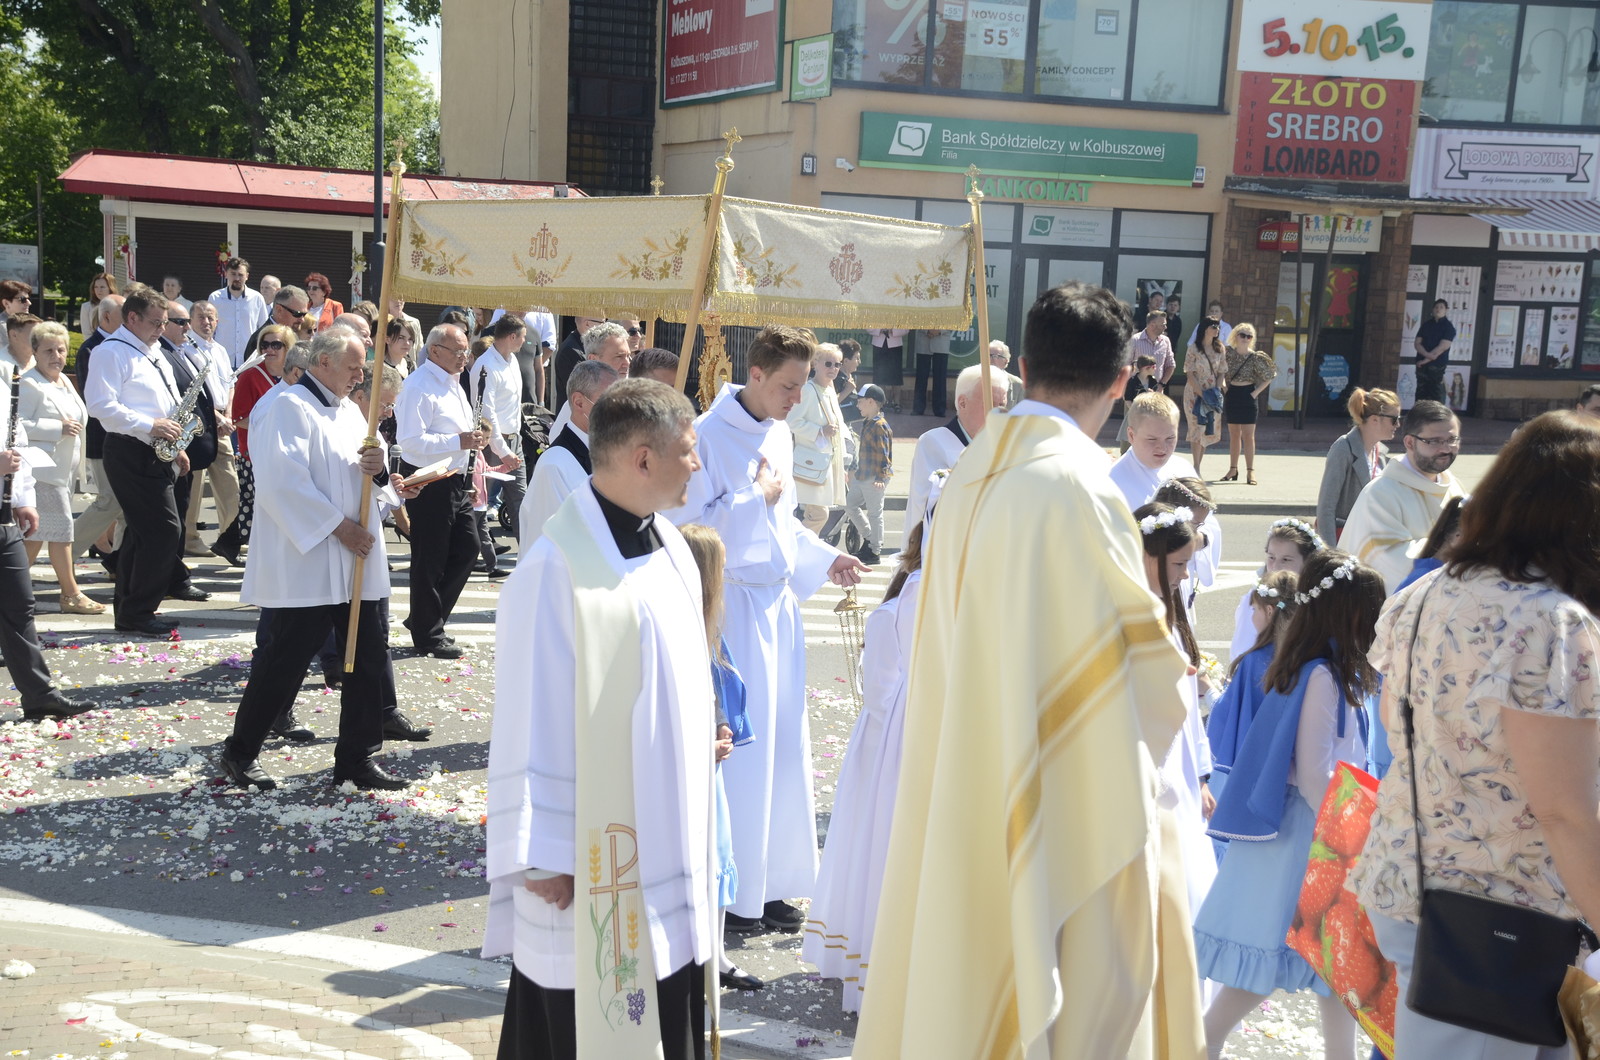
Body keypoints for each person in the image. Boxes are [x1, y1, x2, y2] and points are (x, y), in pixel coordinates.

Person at [854, 282, 1204, 1059]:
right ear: (1124, 381)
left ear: (1029, 365)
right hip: (1053, 788)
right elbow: (1135, 674)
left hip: (964, 771)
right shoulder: (1081, 487)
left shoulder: (978, 470)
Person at [1351, 410, 1600, 1058]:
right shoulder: (1553, 620)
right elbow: (1564, 810)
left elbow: (1393, 724)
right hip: (1506, 915)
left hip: (1416, 883)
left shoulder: (1428, 592)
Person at [485, 379, 716, 1060]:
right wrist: (544, 853)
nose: (697, 465)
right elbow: (531, 713)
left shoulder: (671, 546)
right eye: (688, 450)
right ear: (643, 458)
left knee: (666, 996)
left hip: (667, 835)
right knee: (590, 1017)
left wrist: (701, 731)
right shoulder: (555, 569)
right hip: (591, 861)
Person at [666, 325, 866, 937]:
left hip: (777, 606)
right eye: (787, 386)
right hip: (735, 609)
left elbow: (780, 524)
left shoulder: (778, 430)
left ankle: (774, 884)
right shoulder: (705, 434)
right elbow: (688, 526)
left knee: (785, 746)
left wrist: (820, 554)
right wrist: (756, 497)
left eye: (803, 386)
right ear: (754, 375)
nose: (795, 399)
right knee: (745, 754)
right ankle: (734, 890)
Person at [1198, 549, 1384, 1060]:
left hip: (1321, 831)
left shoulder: (1332, 672)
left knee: (1333, 972)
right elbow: (1311, 772)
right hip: (1308, 838)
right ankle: (1201, 1046)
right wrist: (1356, 825)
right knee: (1272, 956)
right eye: (1371, 613)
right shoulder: (1322, 676)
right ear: (1348, 614)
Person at [217, 326, 420, 793]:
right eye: (352, 367)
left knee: (368, 659)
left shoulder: (352, 412)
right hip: (310, 559)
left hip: (357, 560)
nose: (358, 376)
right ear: (323, 362)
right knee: (283, 662)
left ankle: (357, 757)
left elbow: (373, 470)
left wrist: (379, 468)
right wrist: (338, 527)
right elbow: (281, 483)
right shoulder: (287, 407)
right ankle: (240, 751)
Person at [804, 478, 935, 1014]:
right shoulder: (926, 597)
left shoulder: (915, 598)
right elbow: (884, 687)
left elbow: (882, 687)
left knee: (892, 844)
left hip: (903, 735)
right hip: (908, 737)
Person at [83, 285, 198, 636]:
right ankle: (141, 608)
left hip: (158, 448)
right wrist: (151, 426)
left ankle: (131, 610)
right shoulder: (111, 352)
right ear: (131, 318)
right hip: (130, 449)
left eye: (165, 322)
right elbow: (100, 406)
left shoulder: (153, 350)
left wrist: (176, 440)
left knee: (140, 532)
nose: (162, 329)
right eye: (156, 322)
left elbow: (165, 400)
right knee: (164, 531)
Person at [679, 522, 763, 994]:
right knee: (706, 853)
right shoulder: (680, 623)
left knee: (720, 852)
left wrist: (722, 723)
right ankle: (705, 956)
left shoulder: (703, 621)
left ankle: (717, 954)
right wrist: (704, 740)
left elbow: (715, 690)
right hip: (687, 764)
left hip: (705, 757)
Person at [1133, 501, 1217, 921]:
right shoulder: (1128, 616)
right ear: (1149, 557)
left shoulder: (1170, 605)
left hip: (1181, 758)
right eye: (1180, 563)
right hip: (1150, 760)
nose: (1186, 574)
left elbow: (1188, 701)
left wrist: (1202, 774)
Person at [0, 366, 92, 722]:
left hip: (5, 515)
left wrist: (23, 499)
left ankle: (39, 695)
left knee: (19, 605)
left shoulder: (5, 383)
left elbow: (17, 446)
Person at [395, 324, 492, 658]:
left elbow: (458, 432)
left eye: (466, 351)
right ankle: (428, 632)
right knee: (430, 558)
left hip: (453, 477)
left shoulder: (453, 383)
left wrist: (473, 441)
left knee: (467, 547)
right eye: (458, 351)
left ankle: (426, 619)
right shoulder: (419, 385)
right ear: (435, 350)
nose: (464, 358)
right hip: (428, 479)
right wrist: (459, 441)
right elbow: (409, 441)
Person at [17, 323, 103, 614]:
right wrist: (58, 427)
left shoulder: (64, 382)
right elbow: (17, 426)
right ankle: (71, 594)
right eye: (49, 350)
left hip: (63, 472)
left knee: (36, 536)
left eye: (61, 349)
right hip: (41, 472)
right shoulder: (29, 383)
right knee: (63, 532)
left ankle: (10, 590)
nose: (56, 355)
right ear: (36, 352)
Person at [1205, 568, 1299, 830]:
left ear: (1269, 612)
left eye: (1254, 610)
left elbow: (1231, 719)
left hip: (1251, 774)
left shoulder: (1255, 662)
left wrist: (1210, 691)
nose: (1252, 616)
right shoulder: (1301, 658)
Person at [1338, 399, 1465, 592]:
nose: (1446, 449)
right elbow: (1390, 563)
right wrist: (1453, 549)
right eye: (1434, 441)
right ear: (1409, 442)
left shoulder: (1454, 486)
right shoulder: (1381, 494)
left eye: (1452, 440)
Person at [214, 323, 295, 566]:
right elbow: (240, 419)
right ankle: (245, 547)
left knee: (257, 503)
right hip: (254, 451)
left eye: (276, 345)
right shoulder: (250, 376)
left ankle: (229, 543)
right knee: (258, 503)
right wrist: (275, 425)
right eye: (265, 344)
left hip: (282, 451)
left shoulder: (292, 375)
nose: (270, 349)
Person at [517, 361, 619, 551]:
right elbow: (550, 546)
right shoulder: (554, 466)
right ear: (579, 402)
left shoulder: (613, 453)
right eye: (610, 401)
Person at [905, 363, 1008, 524]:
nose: (997, 412)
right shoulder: (934, 442)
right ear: (962, 403)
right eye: (991, 404)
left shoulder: (1007, 447)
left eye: (1002, 405)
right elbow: (933, 508)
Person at [181, 300, 241, 559]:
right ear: (192, 320)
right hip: (199, 422)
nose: (207, 322)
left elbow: (230, 383)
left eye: (211, 318)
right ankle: (190, 538)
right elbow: (190, 391)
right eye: (202, 317)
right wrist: (216, 416)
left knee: (230, 481)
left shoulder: (219, 349)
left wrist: (227, 413)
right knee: (194, 483)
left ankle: (231, 535)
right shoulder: (186, 349)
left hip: (222, 422)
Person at [70, 295, 126, 569]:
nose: (131, 319)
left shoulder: (125, 346)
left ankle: (123, 562)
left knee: (128, 506)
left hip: (127, 439)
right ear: (106, 318)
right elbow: (96, 403)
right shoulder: (91, 349)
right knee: (109, 501)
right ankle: (65, 553)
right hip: (103, 440)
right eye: (124, 314)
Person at [1226, 518, 1321, 663]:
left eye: (1286, 560)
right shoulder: (1256, 600)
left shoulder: (1318, 602)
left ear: (1308, 561)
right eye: (1271, 557)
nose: (1275, 567)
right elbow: (1241, 650)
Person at [470, 316, 530, 541]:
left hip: (514, 440)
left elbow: (513, 405)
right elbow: (487, 412)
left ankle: (526, 553)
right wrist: (503, 450)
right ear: (512, 336)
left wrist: (517, 436)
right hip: (491, 444)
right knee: (478, 501)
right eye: (523, 337)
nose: (525, 341)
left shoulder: (512, 360)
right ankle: (476, 552)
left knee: (520, 501)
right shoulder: (486, 366)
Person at [1315, 387, 1399, 544]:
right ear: (1375, 419)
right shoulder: (1343, 448)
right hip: (1344, 542)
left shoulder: (1380, 453)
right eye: (1394, 419)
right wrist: (1330, 555)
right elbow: (1326, 508)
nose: (1398, 424)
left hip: (1368, 544)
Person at [786, 342, 847, 537]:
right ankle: (799, 547)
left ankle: (801, 547)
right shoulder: (809, 390)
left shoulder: (829, 391)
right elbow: (792, 421)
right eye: (828, 363)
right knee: (819, 514)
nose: (833, 369)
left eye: (838, 364)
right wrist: (819, 431)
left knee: (818, 513)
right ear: (816, 364)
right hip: (810, 462)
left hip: (824, 463)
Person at [1109, 391, 1197, 513]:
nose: (1162, 448)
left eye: (1170, 438)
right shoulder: (1112, 482)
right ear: (1131, 435)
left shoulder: (1184, 469)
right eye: (1152, 439)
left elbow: (1208, 521)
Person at [1220, 323, 1275, 485]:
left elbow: (1270, 375)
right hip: (1233, 394)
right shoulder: (1228, 353)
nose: (1245, 338)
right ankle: (1233, 469)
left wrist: (1255, 393)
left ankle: (1251, 472)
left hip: (1248, 395)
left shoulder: (1256, 357)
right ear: (1236, 335)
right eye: (1242, 335)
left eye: (1249, 336)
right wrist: (1224, 388)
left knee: (1248, 436)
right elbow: (1220, 371)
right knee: (1234, 435)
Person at [845, 384, 892, 565]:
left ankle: (874, 551)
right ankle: (870, 539)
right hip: (863, 475)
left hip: (874, 477)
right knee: (850, 505)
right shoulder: (869, 422)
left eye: (860, 401)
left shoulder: (879, 426)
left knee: (875, 513)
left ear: (871, 402)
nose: (858, 405)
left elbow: (885, 455)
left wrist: (881, 478)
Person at [209, 257, 269, 369]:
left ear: (247, 276)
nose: (237, 278)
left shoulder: (257, 298)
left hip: (250, 361)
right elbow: (211, 330)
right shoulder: (215, 298)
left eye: (240, 275)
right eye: (233, 274)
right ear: (226, 274)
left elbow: (263, 330)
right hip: (222, 360)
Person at [550, 310, 605, 412]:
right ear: (587, 323)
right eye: (602, 323)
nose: (604, 327)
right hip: (573, 417)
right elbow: (584, 389)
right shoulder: (570, 350)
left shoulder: (583, 345)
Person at [243, 286, 311, 360]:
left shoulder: (296, 334)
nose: (302, 320)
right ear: (279, 310)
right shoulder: (260, 340)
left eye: (304, 314)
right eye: (297, 314)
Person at [1412, 297, 1454, 404]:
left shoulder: (1448, 327)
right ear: (1432, 309)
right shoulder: (1426, 325)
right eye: (1436, 307)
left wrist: (1426, 359)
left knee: (1435, 392)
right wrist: (1425, 355)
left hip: (1436, 365)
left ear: (1446, 310)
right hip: (1421, 364)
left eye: (1441, 307)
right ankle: (1419, 416)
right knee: (1421, 391)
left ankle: (1436, 418)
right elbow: (1417, 343)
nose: (1438, 309)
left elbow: (1442, 347)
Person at [1117, 353, 1161, 450]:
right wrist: (1135, 410)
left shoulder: (1153, 381)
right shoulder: (1132, 381)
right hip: (1133, 412)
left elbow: (1156, 399)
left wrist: (1152, 395)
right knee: (1129, 437)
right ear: (1146, 368)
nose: (1155, 369)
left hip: (1148, 414)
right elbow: (1127, 398)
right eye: (1154, 367)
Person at [1128, 309, 1176, 391]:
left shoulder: (1166, 341)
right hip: (1135, 392)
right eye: (1163, 325)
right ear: (1152, 325)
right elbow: (1126, 365)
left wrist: (1162, 384)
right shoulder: (1135, 340)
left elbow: (1170, 365)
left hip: (1157, 392)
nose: (1165, 327)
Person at [910, 328, 949, 417]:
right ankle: (918, 408)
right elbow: (917, 319)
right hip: (923, 342)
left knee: (940, 378)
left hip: (942, 343)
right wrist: (927, 331)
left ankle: (940, 409)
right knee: (921, 378)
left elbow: (954, 321)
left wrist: (939, 331)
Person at [867, 327, 907, 394]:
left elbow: (906, 328)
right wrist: (880, 329)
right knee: (879, 375)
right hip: (878, 344)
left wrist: (892, 330)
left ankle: (896, 402)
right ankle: (881, 401)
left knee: (896, 375)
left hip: (896, 345)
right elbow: (868, 325)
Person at [987, 340, 1024, 410]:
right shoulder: (973, 380)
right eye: (987, 355)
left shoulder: (1017, 384)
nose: (989, 359)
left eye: (995, 356)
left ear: (1006, 360)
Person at [0, 280, 32, 359]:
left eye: (28, 299)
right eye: (22, 299)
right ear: (6, 303)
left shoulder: (27, 323)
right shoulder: (2, 327)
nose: (29, 303)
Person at [79, 272, 116, 338]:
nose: (99, 290)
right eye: (96, 287)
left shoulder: (118, 306)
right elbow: (86, 333)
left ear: (110, 288)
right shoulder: (86, 307)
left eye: (102, 287)